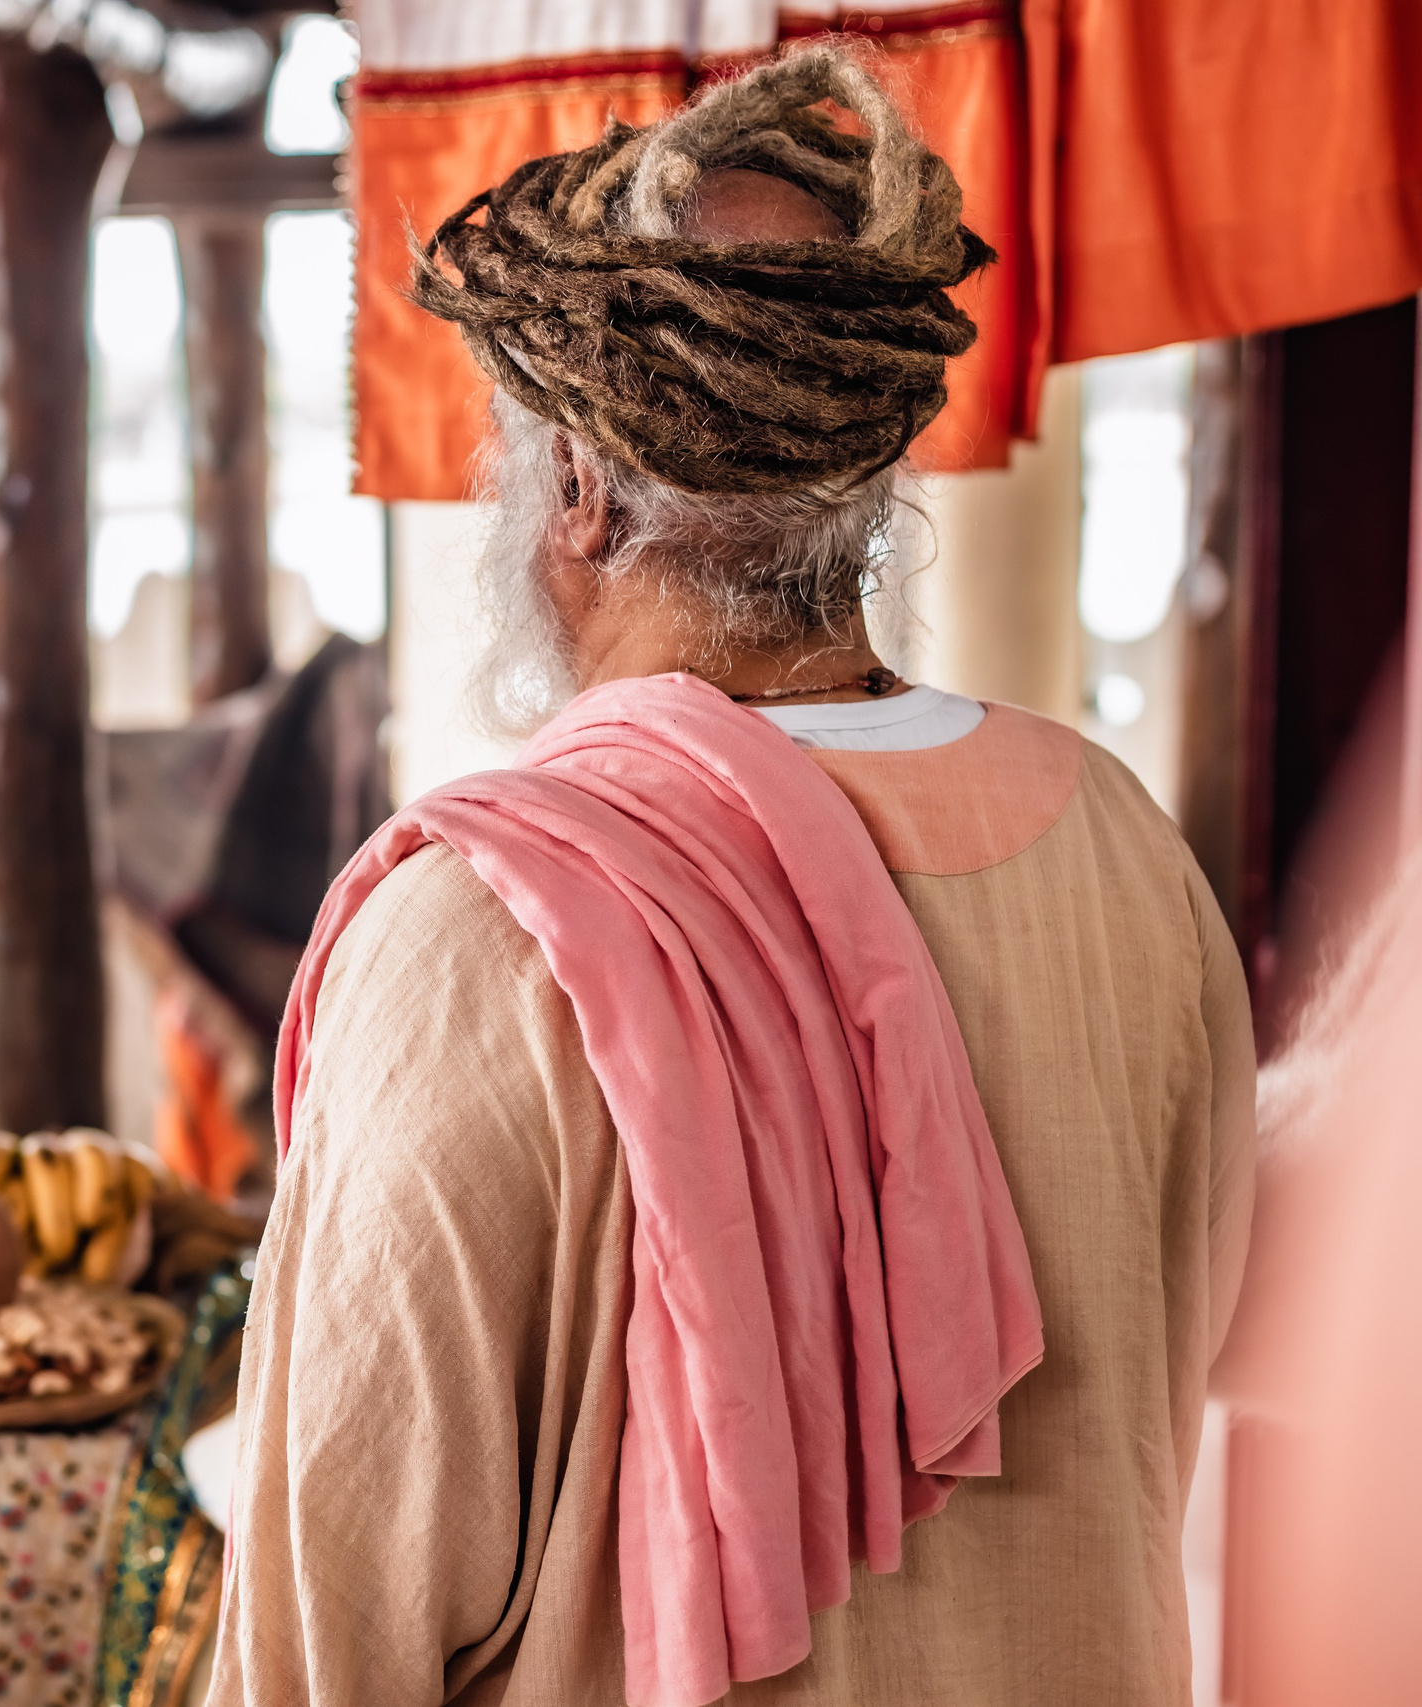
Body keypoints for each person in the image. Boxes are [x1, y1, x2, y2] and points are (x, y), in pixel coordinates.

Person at [208, 46, 1253, 1707]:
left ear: (574, 489)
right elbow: (1166, 1401)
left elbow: (330, 1630)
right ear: (867, 468)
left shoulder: (482, 932)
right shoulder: (1122, 847)